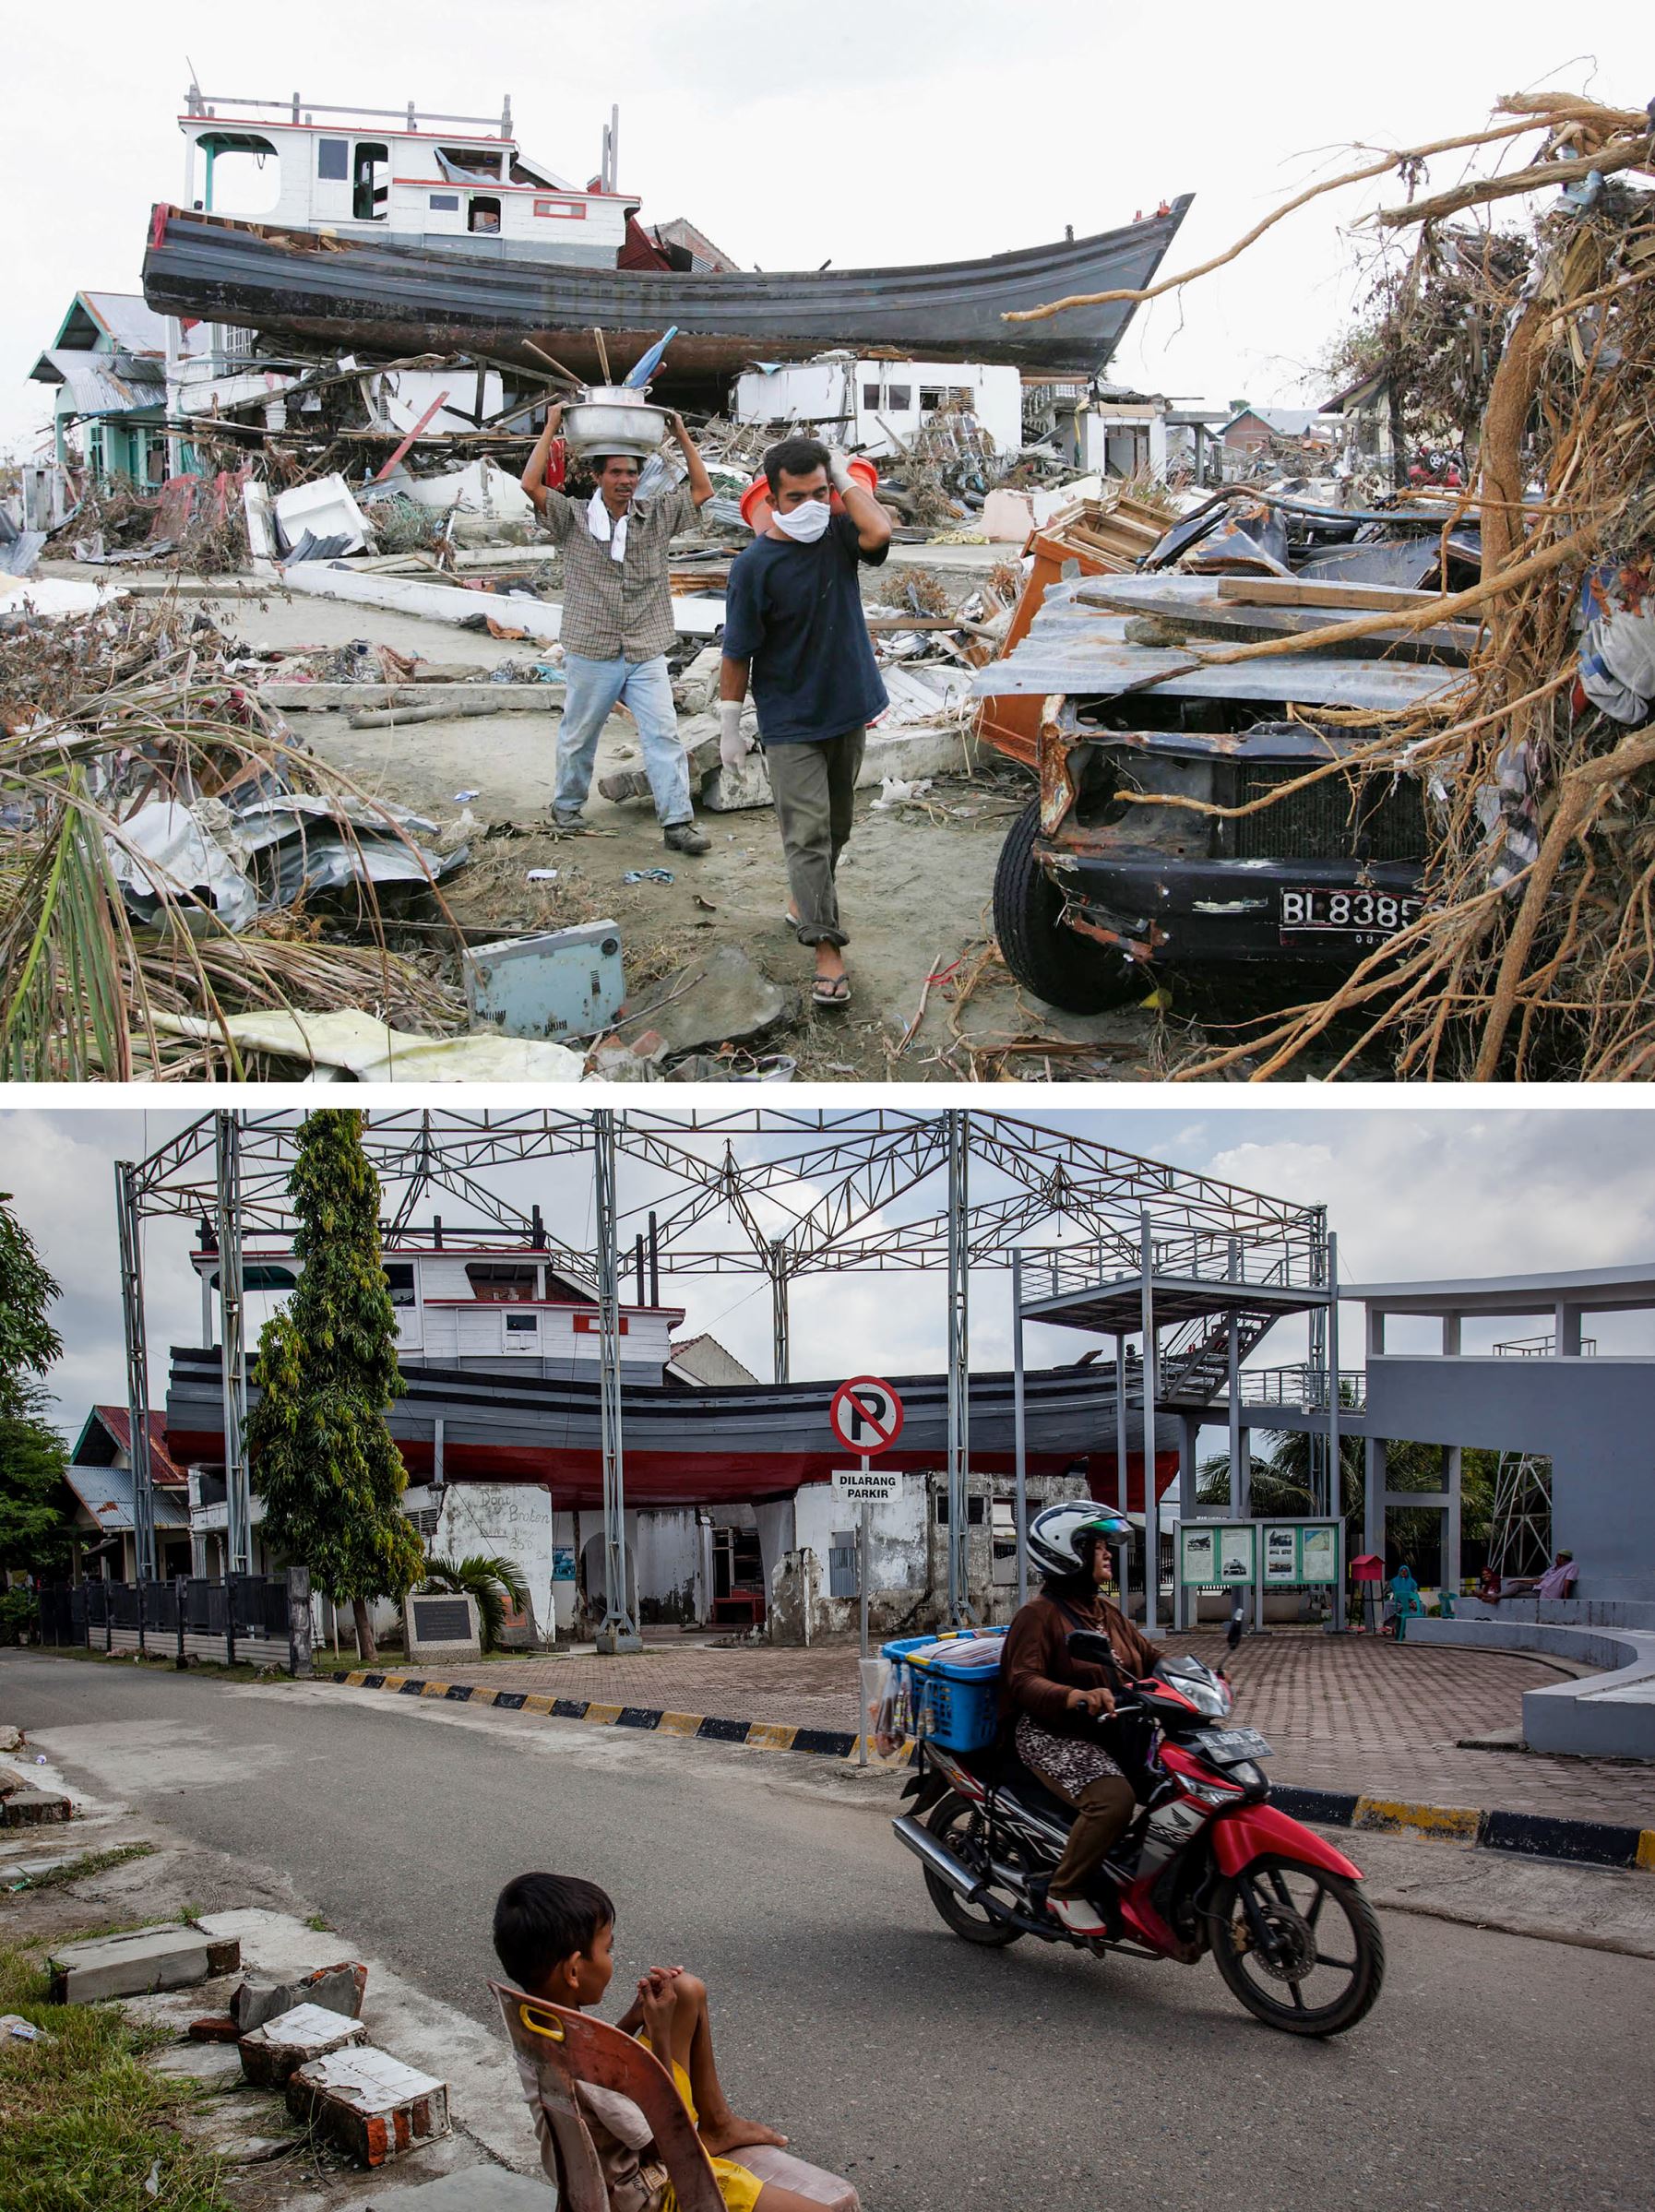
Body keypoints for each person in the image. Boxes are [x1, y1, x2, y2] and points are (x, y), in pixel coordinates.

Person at [494, 1872, 825, 2212]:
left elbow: (596, 2071)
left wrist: (635, 2019)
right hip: (652, 2191)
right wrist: (660, 2034)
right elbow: (669, 2142)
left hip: (607, 2170)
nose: (612, 1959)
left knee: (684, 1991)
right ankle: (711, 2136)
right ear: (574, 1971)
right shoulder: (589, 2067)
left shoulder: (536, 2024)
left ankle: (719, 2125)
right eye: (608, 1950)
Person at [719, 436, 892, 1007]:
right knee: (808, 835)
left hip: (848, 707)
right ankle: (827, 950)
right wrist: (729, 723)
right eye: (798, 496)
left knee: (837, 827)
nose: (813, 505)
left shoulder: (840, 536)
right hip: (790, 720)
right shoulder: (753, 567)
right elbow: (737, 652)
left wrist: (841, 473)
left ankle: (804, 900)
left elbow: (881, 532)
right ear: (772, 497)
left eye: (821, 492)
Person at [521, 407, 715, 853]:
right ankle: (566, 808)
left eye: (631, 473)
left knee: (663, 735)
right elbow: (530, 486)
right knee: (579, 734)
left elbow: (702, 489)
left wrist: (681, 431)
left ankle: (677, 824)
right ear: (598, 477)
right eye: (616, 474)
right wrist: (552, 426)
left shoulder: (657, 516)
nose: (625, 481)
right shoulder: (572, 519)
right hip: (592, 650)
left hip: (645, 648)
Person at [1000, 1502, 1163, 1938]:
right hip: (1050, 1733)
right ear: (1066, 1553)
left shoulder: (1107, 1613)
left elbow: (1150, 1661)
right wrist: (1075, 1695)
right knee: (1114, 1801)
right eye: (1097, 1545)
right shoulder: (1037, 1616)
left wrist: (1199, 1679)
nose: (1109, 1553)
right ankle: (1065, 1889)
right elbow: (1022, 1680)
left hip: (1111, 1731)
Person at [1484, 1550, 1578, 1603]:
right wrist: (1518, 1581)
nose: (1556, 1558)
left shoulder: (1571, 1566)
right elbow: (1538, 1580)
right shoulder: (1552, 1568)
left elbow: (1567, 1582)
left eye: (1558, 1557)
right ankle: (1495, 1597)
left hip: (1544, 1593)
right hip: (1537, 1586)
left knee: (1517, 1595)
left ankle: (1495, 1597)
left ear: (1563, 1558)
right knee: (1516, 1585)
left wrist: (1566, 1599)